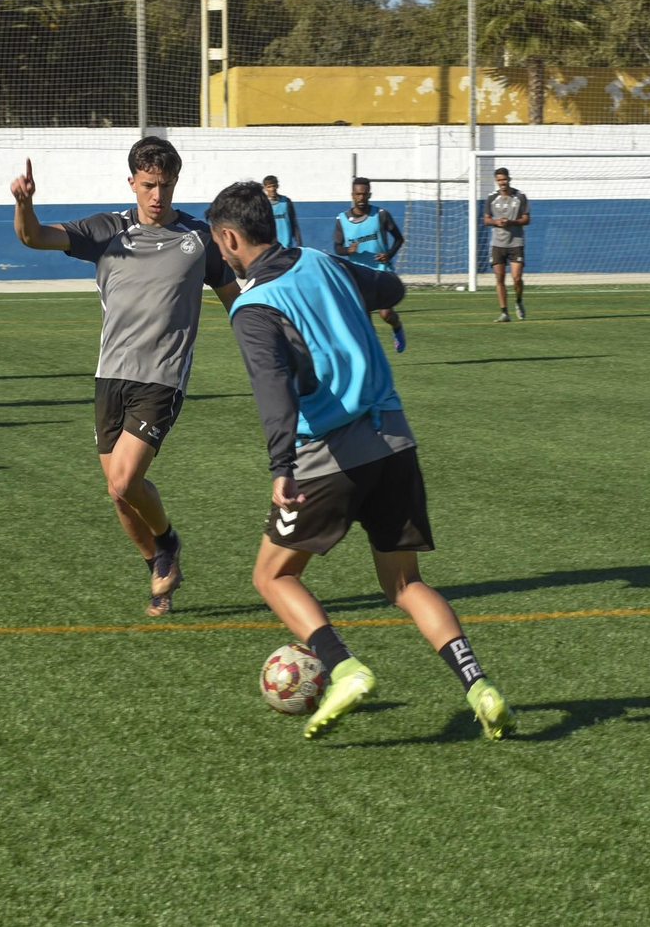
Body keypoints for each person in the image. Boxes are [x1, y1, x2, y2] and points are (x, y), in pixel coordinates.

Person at [207, 180, 514, 741]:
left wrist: (282, 467)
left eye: (218, 242)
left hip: (329, 452)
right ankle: (480, 686)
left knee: (273, 575)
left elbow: (272, 391)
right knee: (404, 584)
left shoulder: (253, 307)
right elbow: (391, 286)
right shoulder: (328, 262)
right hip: (394, 439)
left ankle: (344, 668)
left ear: (229, 238)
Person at [9, 137, 239, 616]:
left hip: (162, 376)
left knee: (124, 480)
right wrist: (24, 204)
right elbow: (34, 237)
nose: (158, 195)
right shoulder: (106, 230)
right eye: (149, 185)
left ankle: (167, 542)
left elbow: (235, 301)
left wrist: (271, 347)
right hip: (110, 375)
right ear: (132, 181)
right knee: (118, 496)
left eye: (166, 185)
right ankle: (159, 567)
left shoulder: (200, 240)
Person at [332, 177, 406, 352]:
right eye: (358, 194)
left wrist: (389, 254)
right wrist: (347, 251)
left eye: (364, 194)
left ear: (370, 194)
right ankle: (374, 355)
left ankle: (397, 326)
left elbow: (399, 239)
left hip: (381, 271)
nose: (361, 198)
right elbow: (337, 247)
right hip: (359, 276)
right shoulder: (342, 219)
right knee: (365, 321)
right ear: (352, 195)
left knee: (386, 314)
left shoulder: (380, 215)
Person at [484, 167, 530, 322]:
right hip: (498, 244)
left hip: (516, 242)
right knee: (499, 277)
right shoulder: (491, 198)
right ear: (496, 181)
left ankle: (518, 300)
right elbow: (486, 220)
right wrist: (495, 222)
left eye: (504, 179)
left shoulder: (520, 196)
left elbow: (526, 219)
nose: (502, 182)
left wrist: (511, 222)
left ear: (509, 179)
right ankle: (504, 312)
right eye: (499, 180)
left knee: (516, 278)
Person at [262, 175, 301, 247]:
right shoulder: (263, 204)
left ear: (277, 186)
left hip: (286, 245)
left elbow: (294, 223)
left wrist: (299, 243)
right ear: (264, 188)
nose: (272, 189)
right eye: (269, 187)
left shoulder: (286, 201)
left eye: (274, 186)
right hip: (271, 246)